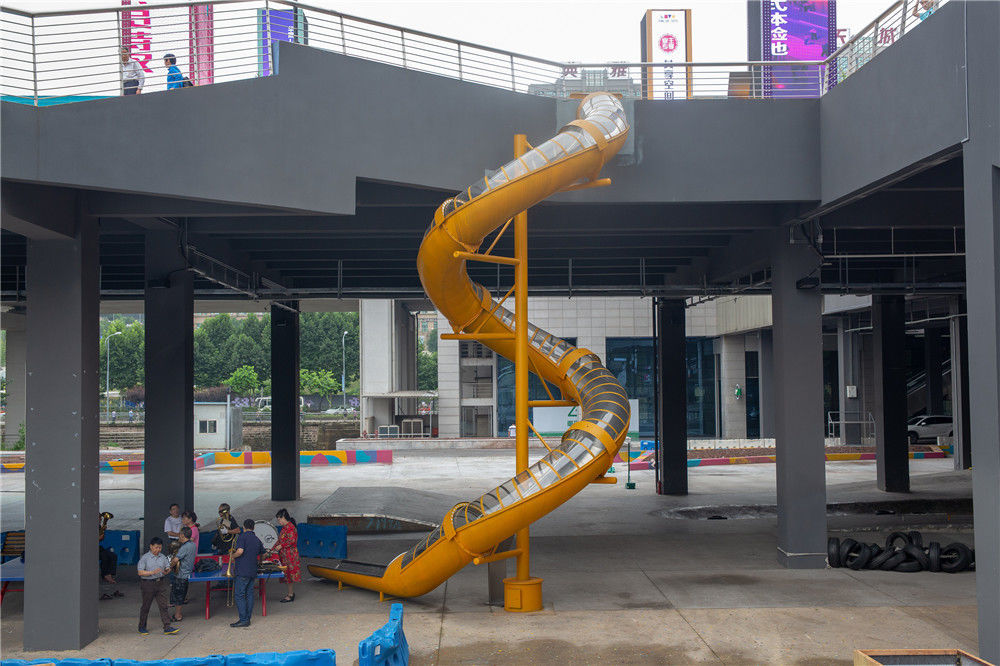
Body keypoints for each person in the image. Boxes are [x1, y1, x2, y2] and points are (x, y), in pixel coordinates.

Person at [136, 537, 179, 635]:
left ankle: (167, 627)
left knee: (163, 605)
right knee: (146, 606)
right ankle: (142, 627)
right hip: (148, 584)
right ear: (151, 546)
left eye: (160, 548)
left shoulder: (163, 557)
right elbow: (140, 572)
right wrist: (152, 572)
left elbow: (168, 567)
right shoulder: (145, 558)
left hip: (160, 583)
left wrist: (167, 571)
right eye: (156, 547)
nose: (158, 550)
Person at [230, 519, 263, 628]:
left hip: (242, 570)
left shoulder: (242, 537)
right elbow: (263, 553)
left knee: (239, 595)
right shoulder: (257, 539)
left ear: (243, 527)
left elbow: (240, 551)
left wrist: (232, 556)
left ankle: (244, 620)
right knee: (249, 594)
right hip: (252, 571)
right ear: (253, 527)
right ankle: (247, 618)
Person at [270, 508, 300, 603]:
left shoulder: (290, 527)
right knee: (287, 575)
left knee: (289, 575)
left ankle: (290, 595)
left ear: (284, 517)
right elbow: (279, 540)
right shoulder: (284, 528)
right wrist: (271, 549)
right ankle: (290, 593)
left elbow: (292, 541)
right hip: (285, 555)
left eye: (279, 519)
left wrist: (281, 546)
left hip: (290, 555)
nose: (279, 521)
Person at [168, 527, 196, 622]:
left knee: (178, 597)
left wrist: (169, 567)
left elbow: (175, 560)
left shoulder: (184, 547)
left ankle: (178, 615)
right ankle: (177, 614)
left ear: (183, 536)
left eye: (179, 534)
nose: (178, 536)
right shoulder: (193, 545)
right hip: (187, 573)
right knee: (181, 595)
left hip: (181, 575)